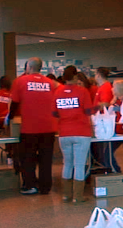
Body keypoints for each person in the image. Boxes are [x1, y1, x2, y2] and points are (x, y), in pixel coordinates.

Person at [8, 57, 58, 195]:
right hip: (49, 126)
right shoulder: (50, 83)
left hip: (29, 127)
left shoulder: (20, 81)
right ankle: (45, 186)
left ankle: (30, 185)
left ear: (28, 68)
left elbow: (15, 103)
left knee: (28, 158)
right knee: (46, 158)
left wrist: (10, 118)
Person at [54, 65, 94, 203]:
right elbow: (89, 111)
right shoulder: (83, 91)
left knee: (67, 163)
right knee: (79, 164)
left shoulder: (57, 92)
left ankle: (66, 195)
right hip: (81, 132)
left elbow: (54, 112)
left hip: (64, 132)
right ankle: (78, 196)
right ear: (76, 77)